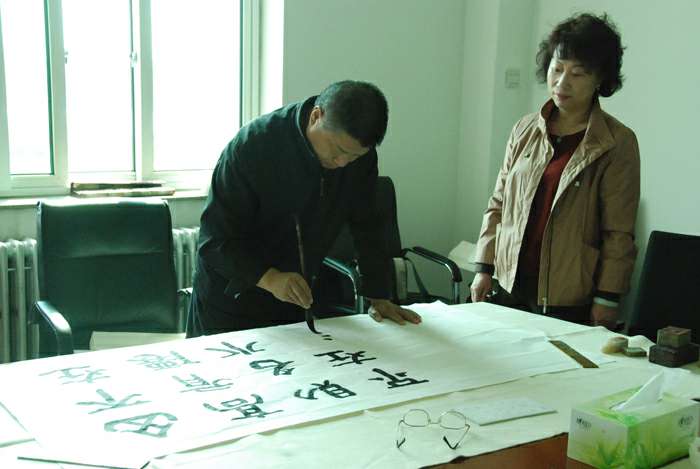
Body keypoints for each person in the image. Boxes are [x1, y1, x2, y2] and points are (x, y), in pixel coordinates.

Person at [188, 80, 421, 335]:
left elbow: (367, 224)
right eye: (337, 150)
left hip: (296, 297)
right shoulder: (253, 146)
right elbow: (215, 240)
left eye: (354, 156)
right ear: (316, 116)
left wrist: (378, 294)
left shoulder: (360, 158)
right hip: (231, 299)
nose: (342, 163)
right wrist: (270, 278)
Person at [470, 13, 640, 330]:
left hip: (569, 298)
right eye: (557, 68)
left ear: (600, 78)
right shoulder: (524, 129)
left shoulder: (617, 142)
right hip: (509, 286)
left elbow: (618, 231)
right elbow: (498, 203)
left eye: (577, 73)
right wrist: (484, 267)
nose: (562, 83)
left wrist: (608, 298)